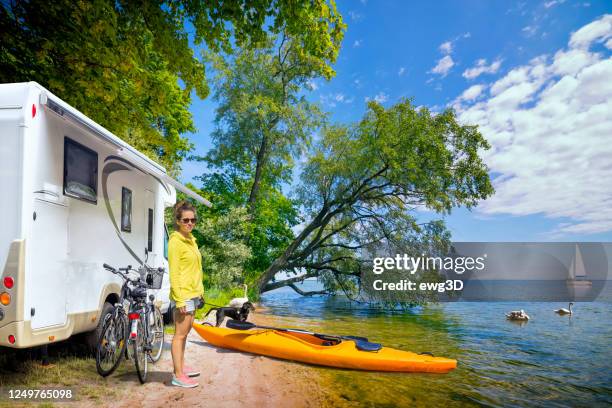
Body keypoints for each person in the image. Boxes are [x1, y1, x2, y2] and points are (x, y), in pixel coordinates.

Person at [168, 200, 204, 388]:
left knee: (186, 332)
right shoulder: (176, 241)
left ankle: (181, 365)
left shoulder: (191, 240)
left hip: (193, 294)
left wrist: (201, 292)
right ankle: (178, 375)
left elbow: (195, 269)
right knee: (180, 335)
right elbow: (174, 272)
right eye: (186, 220)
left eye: (193, 220)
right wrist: (179, 298)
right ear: (178, 221)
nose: (190, 223)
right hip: (183, 295)